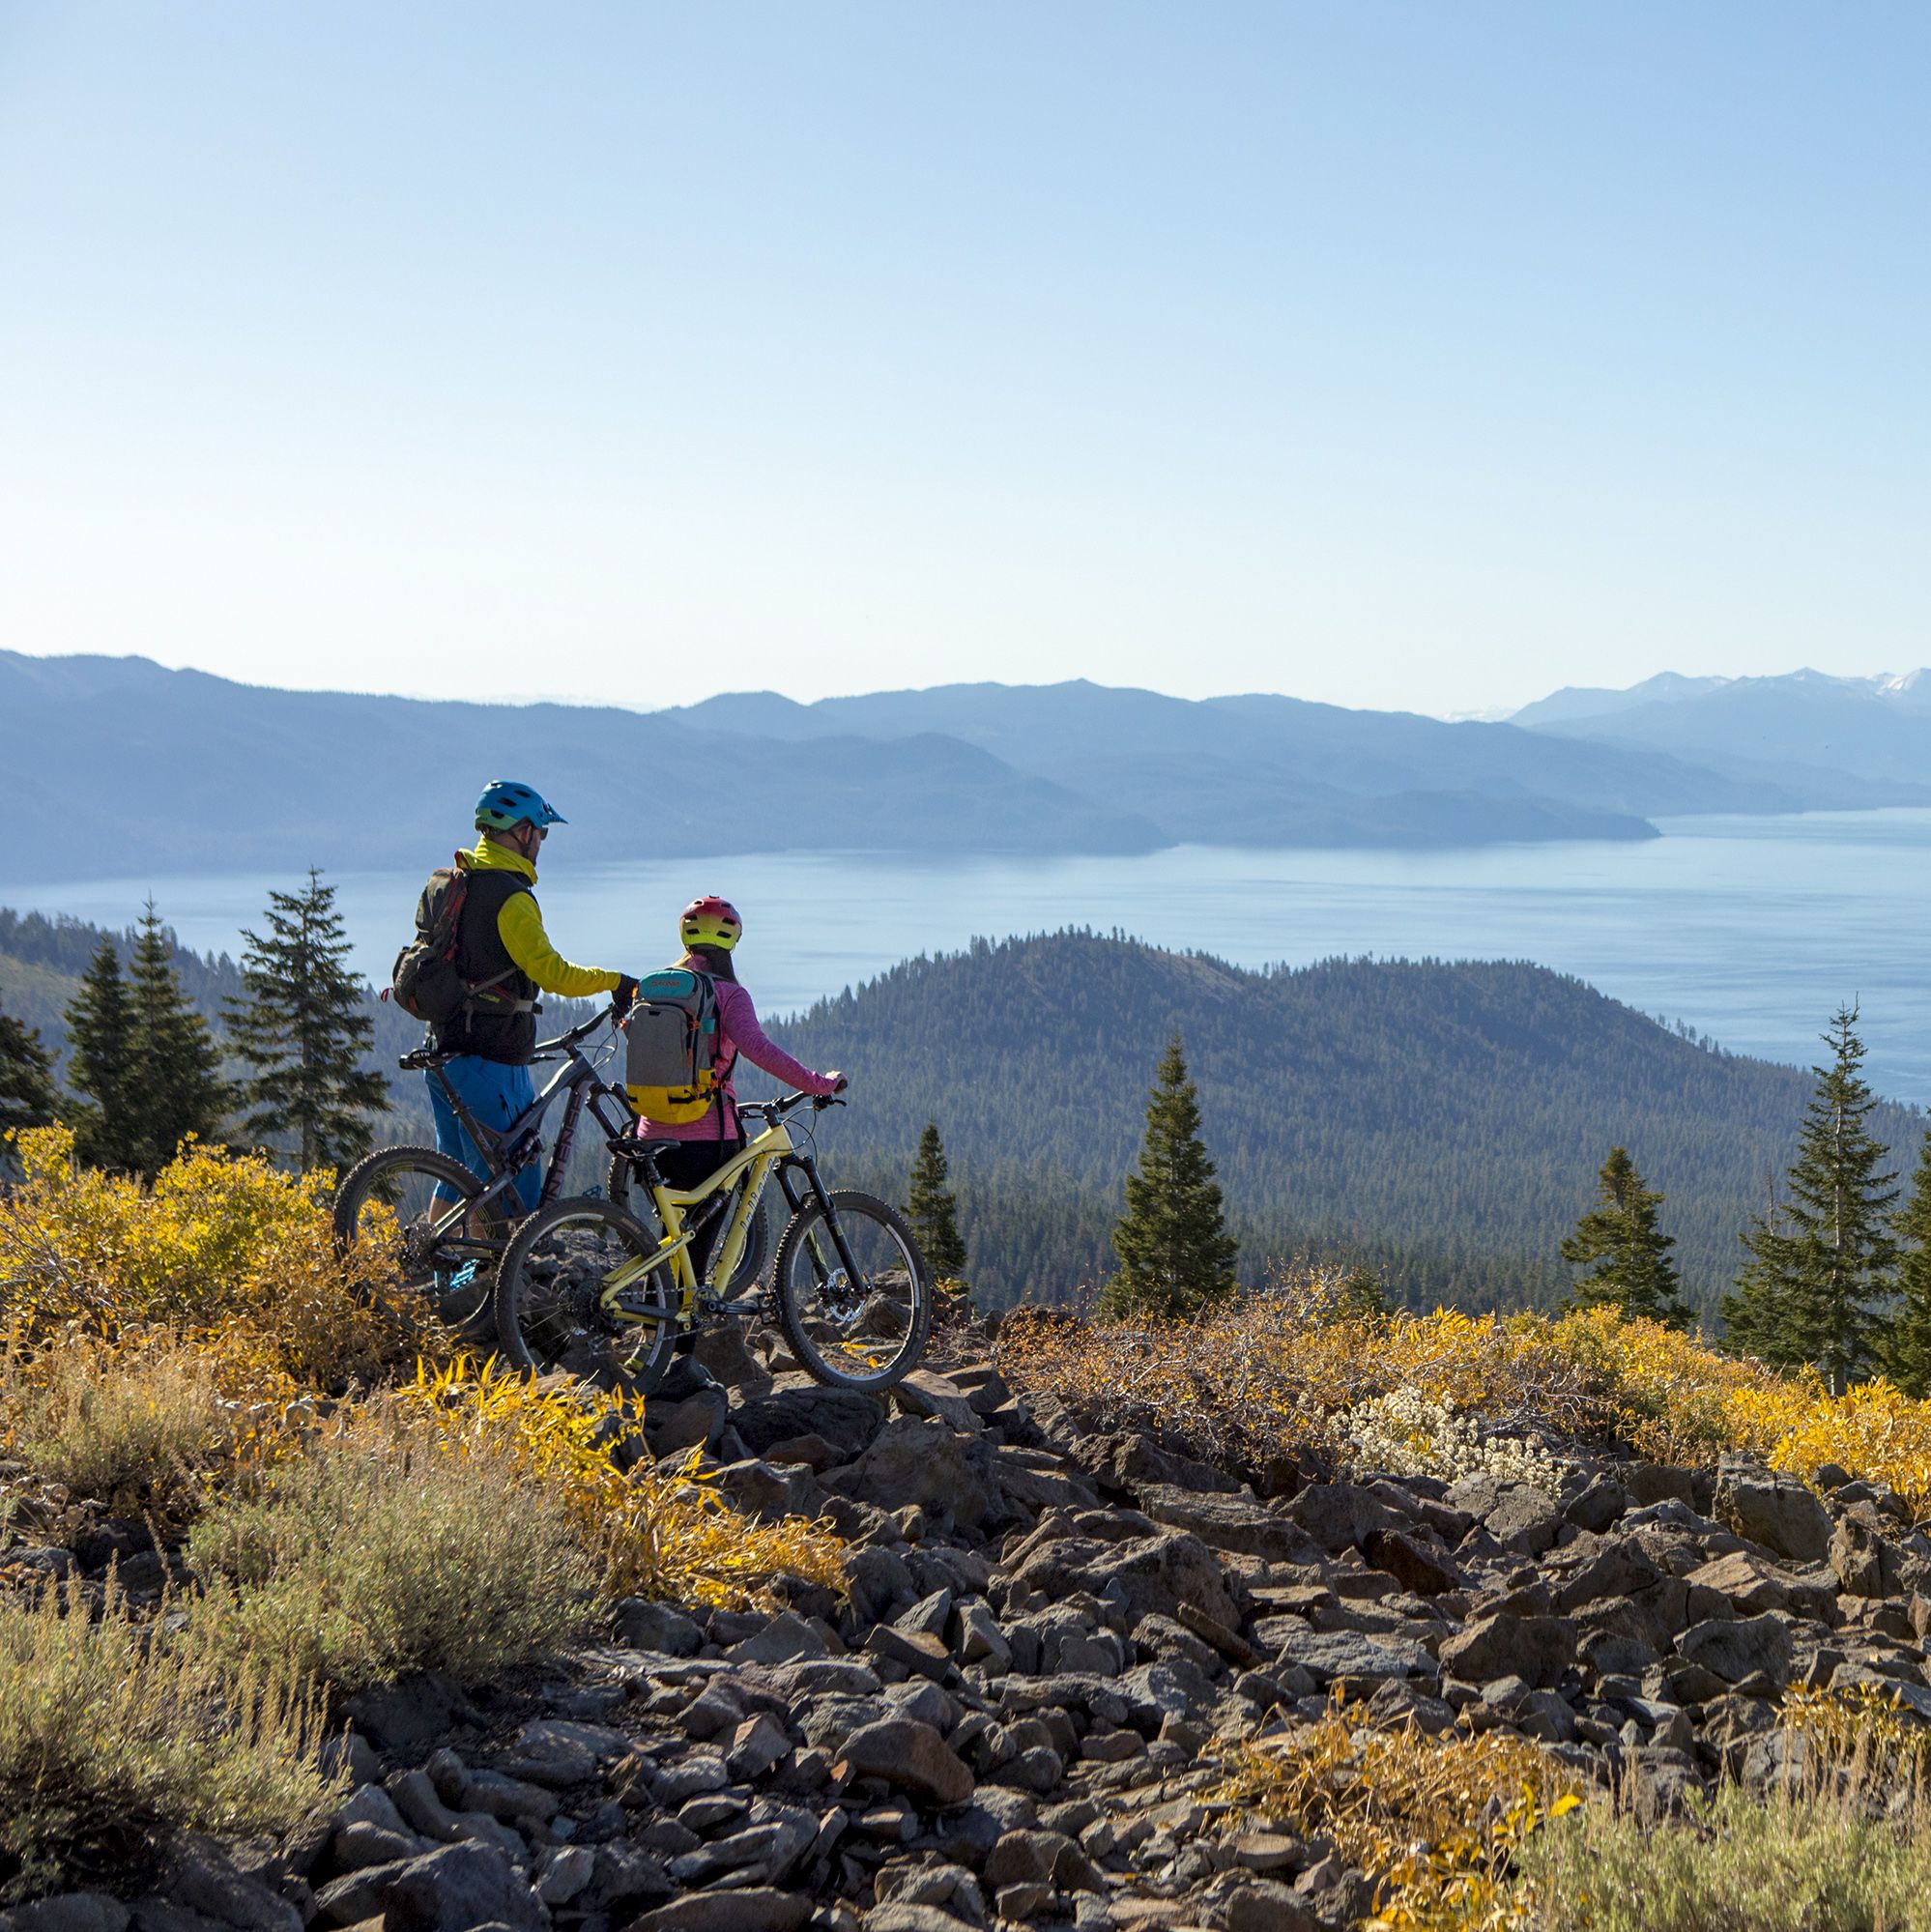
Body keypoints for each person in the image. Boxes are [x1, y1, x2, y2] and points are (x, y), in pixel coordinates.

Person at [428, 780, 638, 1211]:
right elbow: (552, 972)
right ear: (523, 832)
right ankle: (502, 1277)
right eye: (541, 832)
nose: (542, 841)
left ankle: (443, 1276)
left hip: (445, 1049)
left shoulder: (459, 880)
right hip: (492, 1057)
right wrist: (614, 981)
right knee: (512, 1189)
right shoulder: (510, 897)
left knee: (454, 1178)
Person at [634, 895, 843, 1271]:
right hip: (707, 1139)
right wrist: (817, 1083)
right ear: (732, 942)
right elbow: (758, 1049)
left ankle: (656, 1322)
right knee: (694, 1258)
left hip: (650, 1133)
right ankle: (680, 1328)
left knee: (670, 1247)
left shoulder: (656, 989)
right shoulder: (729, 994)